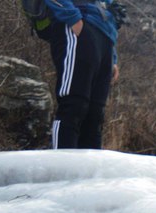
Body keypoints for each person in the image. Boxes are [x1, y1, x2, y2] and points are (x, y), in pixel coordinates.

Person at [43, 0, 122, 149]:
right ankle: (61, 163)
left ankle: (87, 165)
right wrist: (73, 19)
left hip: (104, 37)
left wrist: (112, 55)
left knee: (95, 115)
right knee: (73, 106)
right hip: (79, 24)